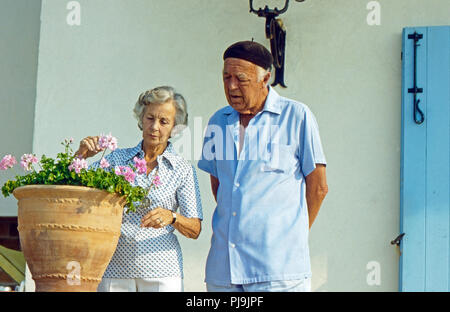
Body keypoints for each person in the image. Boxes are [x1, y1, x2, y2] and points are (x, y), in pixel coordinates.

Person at [198, 41, 328, 292]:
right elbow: (220, 187)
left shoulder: (297, 116)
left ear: (265, 78)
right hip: (224, 269)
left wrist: (290, 236)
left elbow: (319, 187)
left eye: (241, 79)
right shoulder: (218, 121)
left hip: (278, 270)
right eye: (226, 77)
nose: (231, 86)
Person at [75, 86, 203, 292]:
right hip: (114, 269)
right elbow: (72, 188)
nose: (154, 127)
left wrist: (172, 217)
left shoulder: (183, 169)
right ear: (141, 119)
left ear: (174, 128)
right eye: (150, 118)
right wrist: (80, 156)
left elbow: (195, 228)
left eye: (164, 122)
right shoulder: (116, 160)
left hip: (163, 271)